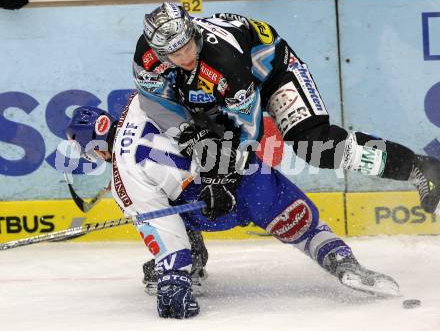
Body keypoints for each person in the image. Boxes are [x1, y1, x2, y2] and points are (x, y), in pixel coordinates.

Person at [66, 95, 400, 320]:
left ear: (94, 149)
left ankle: (192, 263)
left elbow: (163, 227)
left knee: (169, 209)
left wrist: (173, 277)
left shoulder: (124, 177)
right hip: (250, 173)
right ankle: (340, 259)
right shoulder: (140, 98)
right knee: (304, 227)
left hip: (210, 208)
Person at [133, 2, 440, 220]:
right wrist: (189, 134)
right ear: (158, 52)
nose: (185, 56)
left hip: (273, 74)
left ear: (193, 32)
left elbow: (249, 129)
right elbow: (154, 101)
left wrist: (223, 178)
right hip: (216, 91)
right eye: (174, 52)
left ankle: (420, 167)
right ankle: (191, 253)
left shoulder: (221, 59)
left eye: (188, 45)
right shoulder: (146, 58)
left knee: (315, 145)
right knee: (187, 148)